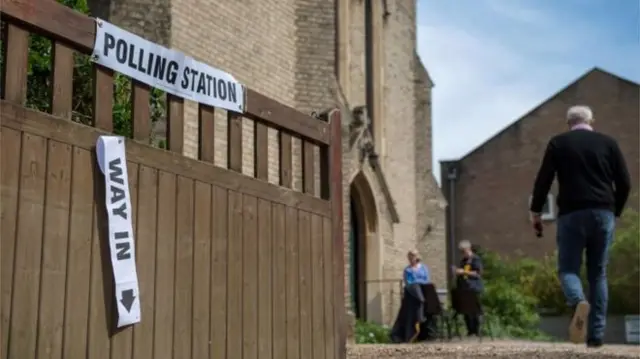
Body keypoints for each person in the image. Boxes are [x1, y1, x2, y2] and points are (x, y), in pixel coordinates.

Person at [529, 105, 631, 347]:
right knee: (598, 274)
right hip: (603, 212)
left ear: (568, 123)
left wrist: (536, 212)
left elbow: (543, 181)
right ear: (592, 120)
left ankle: (577, 302)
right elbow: (625, 182)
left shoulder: (558, 143)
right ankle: (596, 336)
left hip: (571, 214)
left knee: (568, 269)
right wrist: (614, 211)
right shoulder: (609, 143)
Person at [390, 250, 431, 343]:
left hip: (423, 290)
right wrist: (417, 282)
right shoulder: (407, 270)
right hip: (412, 294)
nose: (412, 258)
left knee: (419, 287)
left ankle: (422, 324)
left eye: (413, 256)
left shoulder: (423, 268)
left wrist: (418, 281)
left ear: (417, 257)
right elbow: (409, 282)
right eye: (410, 256)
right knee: (414, 287)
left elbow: (427, 280)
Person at [452, 240, 484, 336]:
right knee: (466, 311)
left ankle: (476, 331)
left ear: (468, 249)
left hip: (473, 288)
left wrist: (464, 272)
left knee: (474, 310)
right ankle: (470, 331)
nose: (463, 253)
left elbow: (477, 273)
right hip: (464, 289)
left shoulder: (475, 259)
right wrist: (457, 272)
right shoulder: (463, 261)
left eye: (464, 251)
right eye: (461, 251)